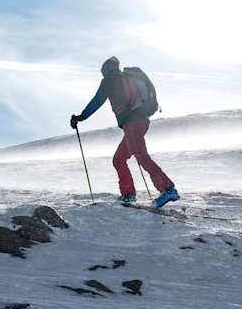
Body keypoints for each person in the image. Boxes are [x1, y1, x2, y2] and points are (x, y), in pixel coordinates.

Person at [69, 57, 179, 208]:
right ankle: (128, 194)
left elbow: (97, 101)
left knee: (141, 155)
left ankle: (167, 189)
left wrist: (80, 117)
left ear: (106, 70)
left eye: (103, 71)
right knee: (119, 159)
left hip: (132, 123)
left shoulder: (110, 80)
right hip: (140, 122)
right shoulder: (127, 77)